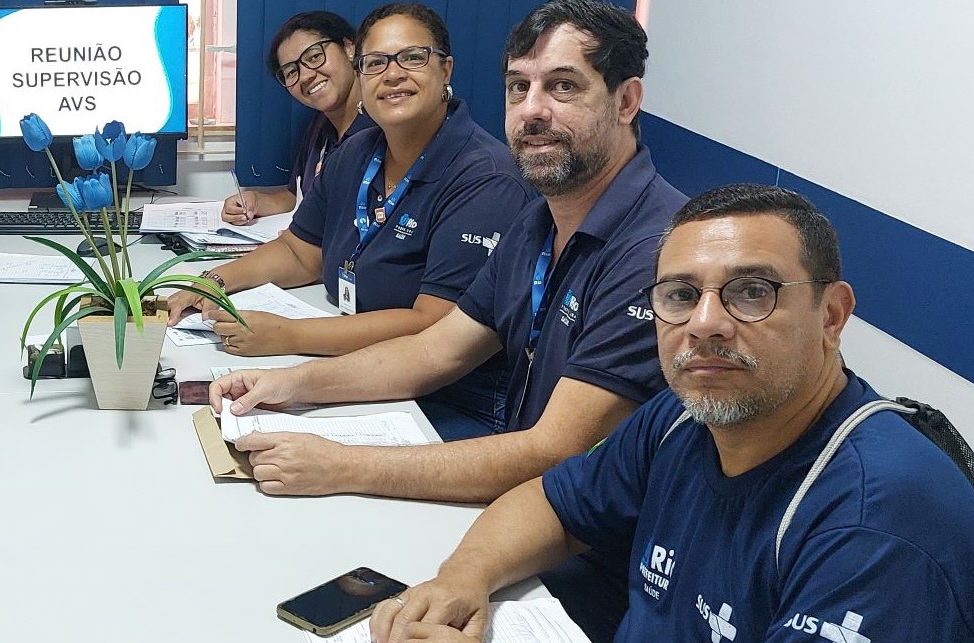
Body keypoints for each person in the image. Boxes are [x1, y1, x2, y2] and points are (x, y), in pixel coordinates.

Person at [368, 184, 974, 643]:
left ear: (832, 317)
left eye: (752, 292)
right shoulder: (683, 419)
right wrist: (462, 579)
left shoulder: (877, 528)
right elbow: (553, 504)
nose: (704, 324)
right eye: (680, 295)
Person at [210, 0, 686, 495]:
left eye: (563, 86)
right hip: (520, 478)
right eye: (519, 87)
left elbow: (553, 451)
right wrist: (287, 385)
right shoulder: (538, 221)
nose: (532, 111)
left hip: (583, 538)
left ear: (627, 101)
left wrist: (345, 467)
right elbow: (433, 352)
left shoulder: (660, 252)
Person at [168, 3, 533, 437]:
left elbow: (431, 326)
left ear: (446, 69)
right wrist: (213, 282)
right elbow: (299, 253)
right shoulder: (356, 154)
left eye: (412, 57)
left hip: (451, 400)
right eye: (375, 63)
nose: (392, 74)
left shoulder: (485, 179)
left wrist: (288, 336)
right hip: (359, 366)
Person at [222, 10, 375, 224]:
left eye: (314, 56)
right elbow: (298, 197)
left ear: (349, 48)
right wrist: (254, 201)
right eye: (292, 72)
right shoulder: (320, 127)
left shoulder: (383, 128)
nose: (305, 76)